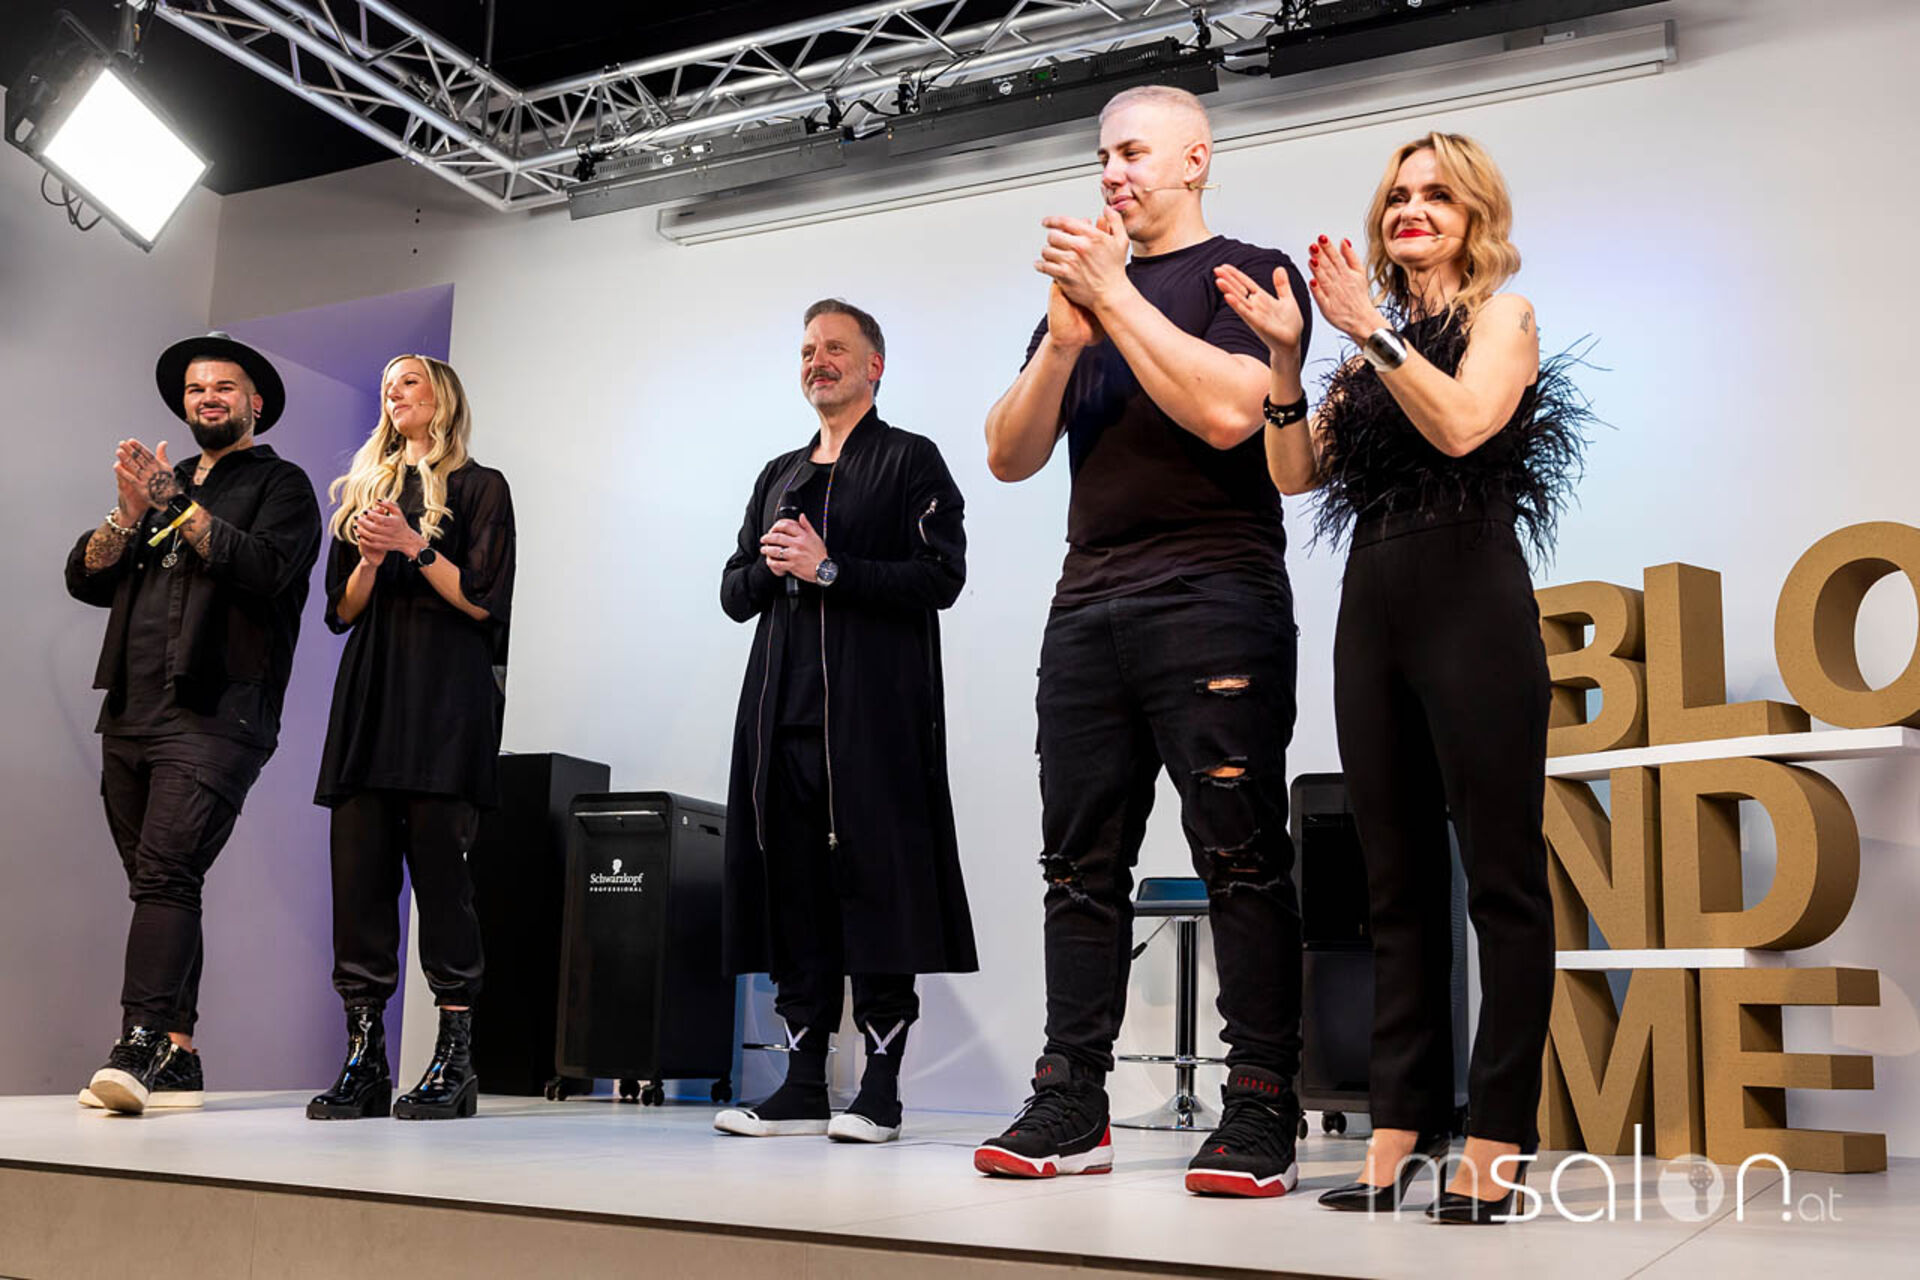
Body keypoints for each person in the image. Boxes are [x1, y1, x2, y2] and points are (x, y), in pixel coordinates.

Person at [1221, 131, 1586, 1224]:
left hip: (1470, 596)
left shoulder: (1503, 319)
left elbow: (1466, 426)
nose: (1410, 209)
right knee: (1394, 885)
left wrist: (1367, 331)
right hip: (1372, 606)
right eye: (1396, 196)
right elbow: (1294, 471)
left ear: (1475, 218)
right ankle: (1400, 1125)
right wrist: (1287, 360)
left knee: (1502, 881)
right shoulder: (1355, 357)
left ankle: (1498, 1132)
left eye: (1435, 195)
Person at [974, 85, 1311, 1197]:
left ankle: (1259, 1101)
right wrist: (1065, 343)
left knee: (1239, 852)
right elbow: (1008, 454)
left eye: (1131, 153)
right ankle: (1072, 1098)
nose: (1111, 174)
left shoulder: (1248, 272)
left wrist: (1113, 293)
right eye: (1102, 157)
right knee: (1078, 864)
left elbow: (1229, 413)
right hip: (1087, 605)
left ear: (1194, 159)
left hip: (1215, 592)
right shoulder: (1081, 301)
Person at [714, 299, 975, 1144]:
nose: (817, 361)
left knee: (877, 892)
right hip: (779, 724)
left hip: (872, 722)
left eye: (835, 348)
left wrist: (831, 569)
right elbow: (733, 593)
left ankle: (881, 1091)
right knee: (792, 900)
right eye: (807, 350)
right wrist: (773, 566)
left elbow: (940, 577)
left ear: (873, 366)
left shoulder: (910, 460)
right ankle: (800, 1086)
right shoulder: (778, 474)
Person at [65, 332, 322, 1115]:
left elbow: (265, 568)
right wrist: (127, 514)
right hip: (132, 707)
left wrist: (175, 505)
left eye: (224, 387)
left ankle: (140, 1042)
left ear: (256, 403)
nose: (207, 397)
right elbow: (84, 577)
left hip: (219, 711)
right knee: (161, 881)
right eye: (195, 389)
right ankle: (178, 1054)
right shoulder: (160, 485)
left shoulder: (283, 485)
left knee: (167, 873)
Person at [306, 354, 516, 1122]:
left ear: (443, 398)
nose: (395, 394)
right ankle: (365, 1061)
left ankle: (455, 1062)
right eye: (388, 386)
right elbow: (340, 611)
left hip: (444, 706)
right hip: (370, 702)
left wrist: (413, 547)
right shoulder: (365, 492)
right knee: (358, 885)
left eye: (410, 383)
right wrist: (368, 559)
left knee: (442, 884)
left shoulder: (482, 488)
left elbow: (484, 602)